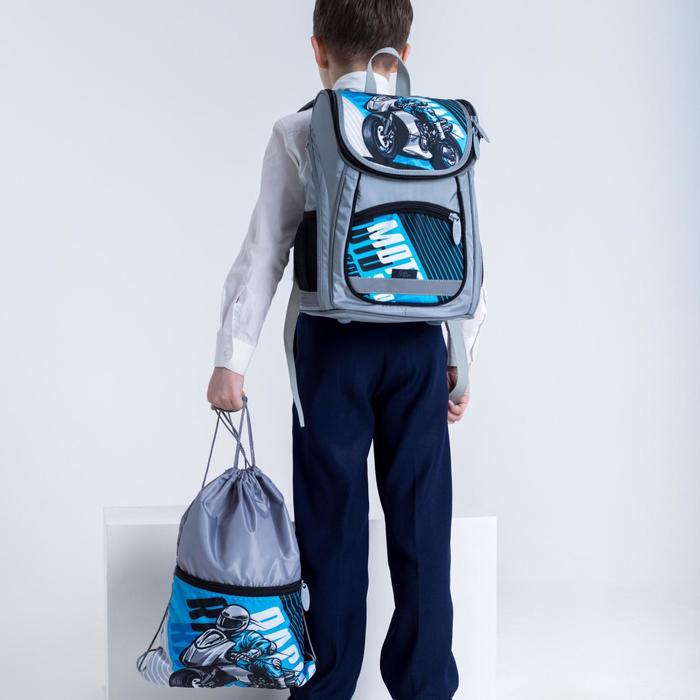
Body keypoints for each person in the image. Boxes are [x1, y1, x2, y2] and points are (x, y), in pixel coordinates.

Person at [207, 1, 487, 698]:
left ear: (318, 50)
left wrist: (231, 359)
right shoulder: (441, 132)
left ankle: (327, 685)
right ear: (405, 53)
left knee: (331, 525)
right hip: (420, 346)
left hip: (332, 349)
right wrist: (461, 355)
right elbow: (466, 246)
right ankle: (426, 686)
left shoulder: (300, 128)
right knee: (422, 523)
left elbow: (265, 250)